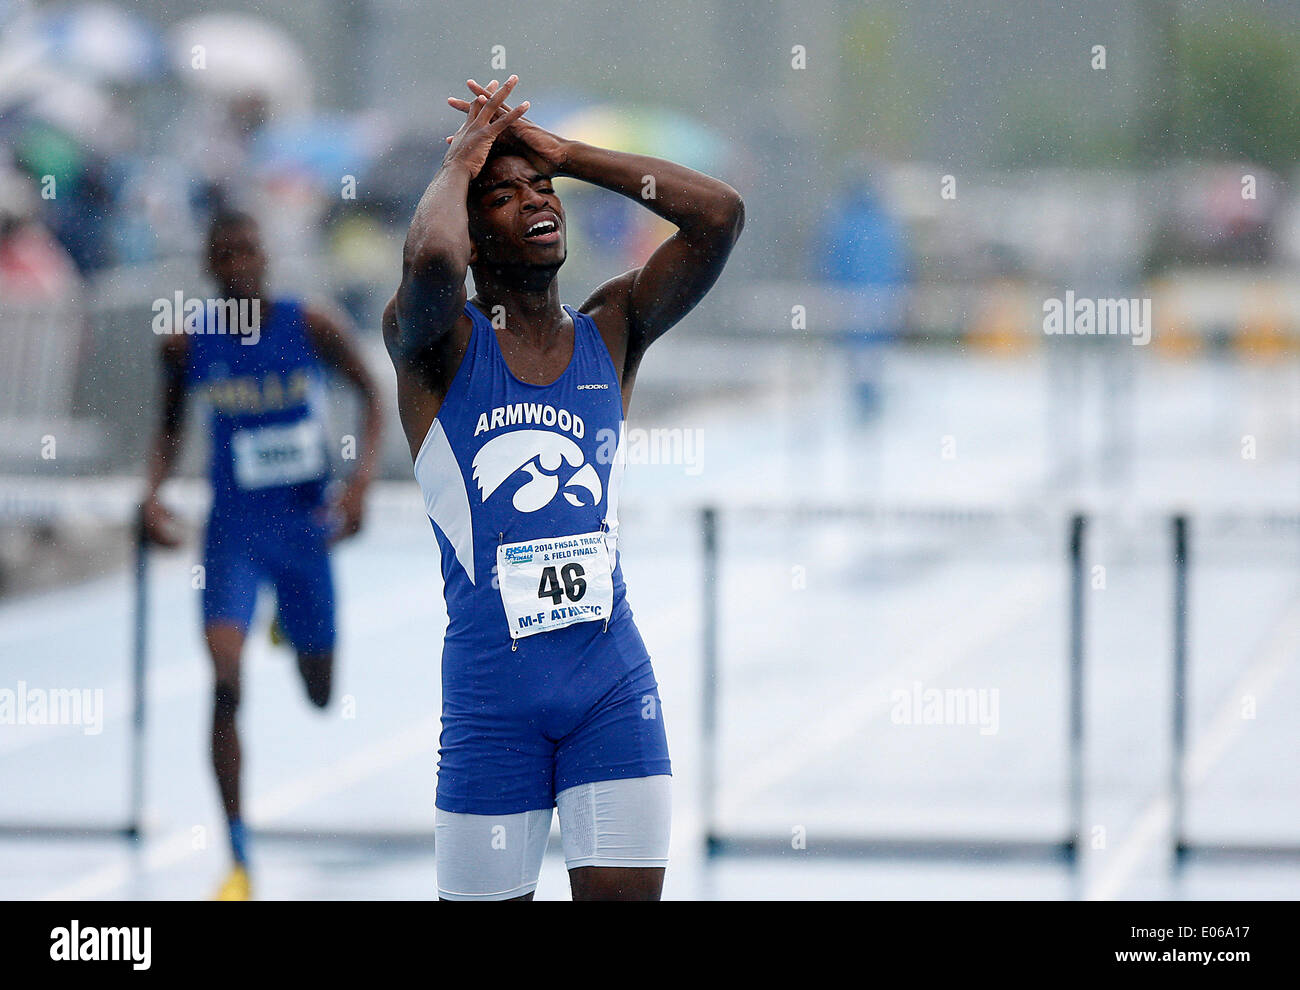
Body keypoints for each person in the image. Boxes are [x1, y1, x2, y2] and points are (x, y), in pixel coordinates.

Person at [383, 75, 743, 900]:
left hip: (610, 688)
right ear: (474, 233)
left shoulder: (613, 328)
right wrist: (461, 161)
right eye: (503, 198)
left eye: (542, 189)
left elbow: (719, 215)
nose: (536, 201)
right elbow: (432, 258)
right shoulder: (433, 350)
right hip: (490, 705)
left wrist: (570, 153)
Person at [140, 210, 382, 900]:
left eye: (248, 248)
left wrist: (359, 486)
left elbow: (371, 396)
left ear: (266, 256)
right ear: (211, 267)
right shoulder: (187, 344)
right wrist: (151, 495)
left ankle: (287, 624)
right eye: (225, 253)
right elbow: (167, 428)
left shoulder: (312, 326)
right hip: (234, 535)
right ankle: (239, 856)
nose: (239, 262)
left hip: (304, 532)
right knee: (224, 684)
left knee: (320, 693)